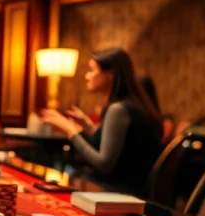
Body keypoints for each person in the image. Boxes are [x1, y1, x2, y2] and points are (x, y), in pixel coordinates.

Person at [41, 48, 163, 194]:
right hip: (125, 189)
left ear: (110, 75)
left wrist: (70, 131)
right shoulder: (131, 105)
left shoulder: (118, 109)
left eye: (92, 70)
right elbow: (119, 145)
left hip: (115, 193)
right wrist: (87, 125)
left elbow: (103, 164)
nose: (87, 76)